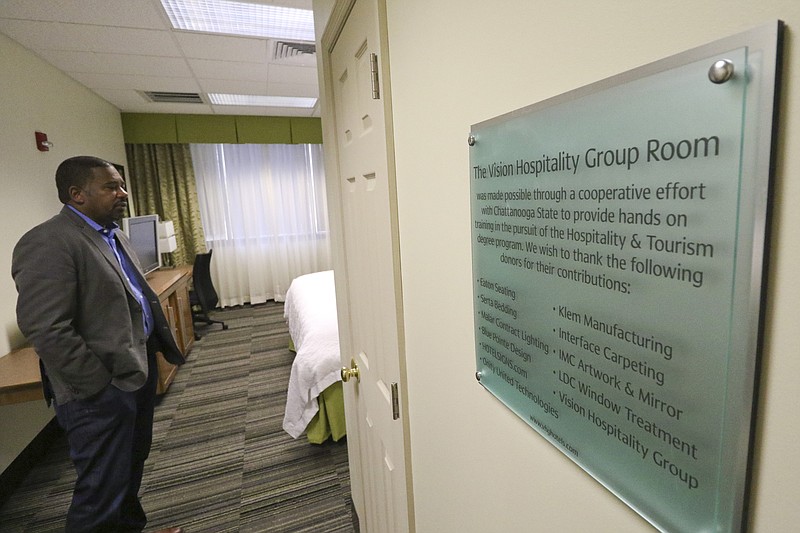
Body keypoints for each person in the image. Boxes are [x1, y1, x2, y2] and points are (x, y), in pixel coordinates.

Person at [12, 156, 185, 533]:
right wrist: (97, 384)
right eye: (111, 187)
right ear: (77, 195)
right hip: (99, 388)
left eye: (121, 185)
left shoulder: (112, 233)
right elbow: (46, 327)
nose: (122, 193)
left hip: (134, 370)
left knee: (129, 467)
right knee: (100, 489)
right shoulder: (48, 242)